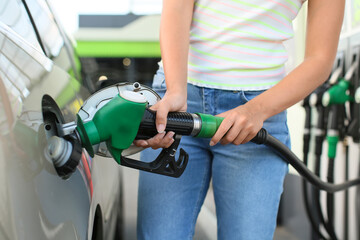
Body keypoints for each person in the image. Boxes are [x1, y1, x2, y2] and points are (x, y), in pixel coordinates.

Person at [134, 0, 345, 239]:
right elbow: (178, 6)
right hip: (180, 99)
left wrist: (255, 111)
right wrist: (175, 91)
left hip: (259, 113)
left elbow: (319, 59)